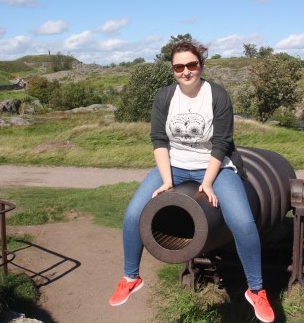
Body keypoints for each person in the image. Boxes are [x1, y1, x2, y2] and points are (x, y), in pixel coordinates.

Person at [108, 40, 275, 323]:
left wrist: (207, 183)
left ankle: (256, 290)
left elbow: (222, 143)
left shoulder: (216, 95)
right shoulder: (164, 97)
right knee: (134, 213)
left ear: (201, 65)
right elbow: (159, 141)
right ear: (172, 69)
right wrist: (166, 180)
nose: (186, 71)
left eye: (192, 65)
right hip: (174, 166)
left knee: (243, 222)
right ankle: (130, 277)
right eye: (179, 66)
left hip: (214, 167)